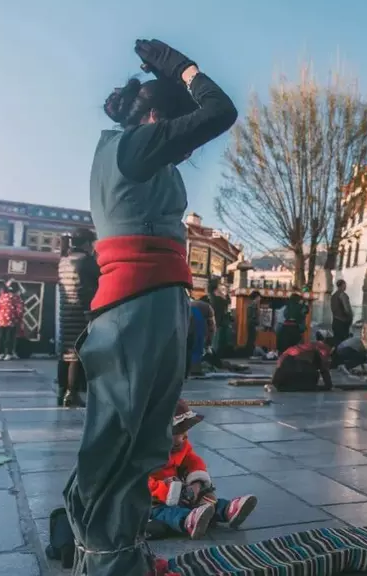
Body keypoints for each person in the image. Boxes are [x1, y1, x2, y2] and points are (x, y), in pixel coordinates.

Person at [64, 39, 238, 576]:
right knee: (116, 442)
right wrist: (187, 70)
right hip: (132, 311)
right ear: (159, 117)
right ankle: (103, 561)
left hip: (160, 307)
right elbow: (221, 112)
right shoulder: (133, 146)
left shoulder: (151, 160)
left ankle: (124, 553)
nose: (186, 152)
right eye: (181, 138)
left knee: (147, 443)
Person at [148, 400, 257, 540]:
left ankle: (226, 509)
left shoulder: (181, 443)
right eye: (178, 431)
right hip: (154, 498)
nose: (183, 436)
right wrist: (166, 490)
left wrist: (197, 482)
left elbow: (192, 460)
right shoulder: (144, 452)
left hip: (180, 489)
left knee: (204, 499)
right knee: (163, 512)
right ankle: (188, 520)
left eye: (185, 430)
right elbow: (139, 481)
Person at [57, 228, 99, 407]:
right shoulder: (87, 262)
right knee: (76, 352)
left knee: (65, 351)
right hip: (82, 310)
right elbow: (99, 280)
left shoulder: (63, 261)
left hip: (66, 310)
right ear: (87, 243)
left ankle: (62, 391)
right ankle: (71, 393)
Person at [0, 281, 25, 361]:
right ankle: (9, 353)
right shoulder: (16, 297)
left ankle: (0, 353)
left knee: (2, 336)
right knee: (10, 337)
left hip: (1, 319)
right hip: (12, 319)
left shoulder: (2, 296)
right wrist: (19, 318)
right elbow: (19, 309)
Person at [201, 279, 230, 357]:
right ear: (216, 288)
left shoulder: (207, 298)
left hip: (208, 322)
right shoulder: (218, 299)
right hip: (216, 322)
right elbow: (227, 303)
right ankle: (211, 357)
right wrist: (223, 294)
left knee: (209, 342)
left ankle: (207, 355)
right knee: (214, 342)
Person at [188, 299, 216, 376]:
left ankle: (186, 368)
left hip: (185, 312)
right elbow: (212, 327)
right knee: (197, 343)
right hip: (196, 314)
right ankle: (195, 369)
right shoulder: (209, 307)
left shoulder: (193, 303)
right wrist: (209, 343)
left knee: (188, 344)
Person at [243, 291, 261, 357]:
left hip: (250, 323)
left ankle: (248, 353)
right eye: (259, 297)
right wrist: (257, 323)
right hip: (252, 324)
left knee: (250, 339)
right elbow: (253, 316)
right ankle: (249, 353)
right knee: (251, 339)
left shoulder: (250, 304)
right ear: (256, 297)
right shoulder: (253, 305)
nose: (260, 299)